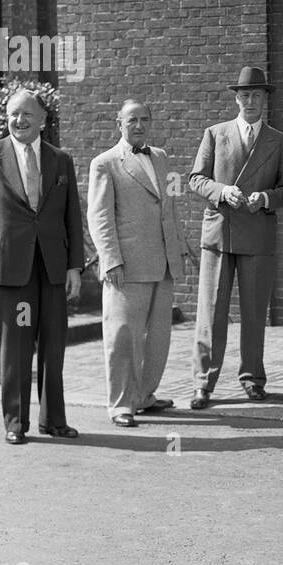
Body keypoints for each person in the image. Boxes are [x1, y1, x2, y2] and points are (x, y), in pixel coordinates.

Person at [0, 89, 83, 444]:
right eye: (13, 114)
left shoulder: (61, 160)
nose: (19, 120)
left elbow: (71, 217)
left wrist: (75, 266)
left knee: (53, 346)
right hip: (11, 271)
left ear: (43, 120)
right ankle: (16, 423)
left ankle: (54, 420)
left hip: (51, 269)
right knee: (15, 348)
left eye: (27, 114)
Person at [188, 66, 283, 409]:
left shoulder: (279, 140)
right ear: (236, 98)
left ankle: (252, 379)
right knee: (211, 313)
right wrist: (221, 191)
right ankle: (203, 383)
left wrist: (265, 198)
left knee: (254, 312)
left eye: (257, 95)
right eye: (245, 95)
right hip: (220, 232)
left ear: (266, 100)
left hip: (258, 234)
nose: (250, 101)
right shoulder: (215, 133)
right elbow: (195, 179)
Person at [87, 99, 190, 429]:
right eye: (132, 120)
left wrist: (180, 247)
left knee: (157, 338)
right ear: (119, 123)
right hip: (126, 267)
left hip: (162, 263)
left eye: (145, 119)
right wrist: (111, 260)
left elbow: (168, 210)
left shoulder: (159, 157)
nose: (140, 125)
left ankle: (144, 395)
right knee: (122, 338)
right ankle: (120, 404)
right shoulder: (104, 163)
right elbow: (99, 217)